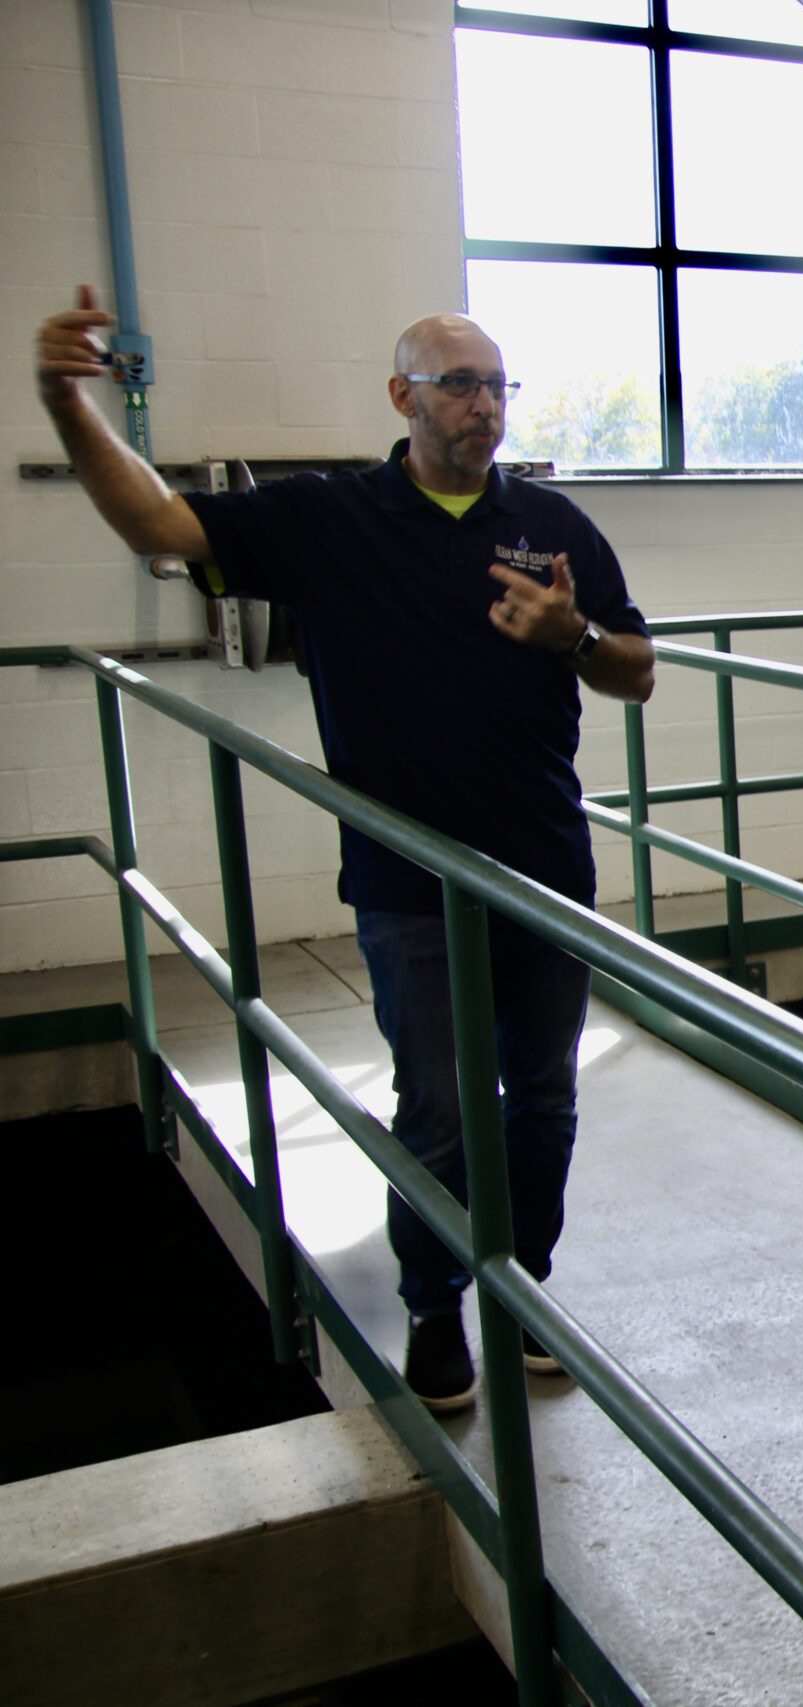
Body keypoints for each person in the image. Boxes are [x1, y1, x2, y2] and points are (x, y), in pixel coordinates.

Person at [35, 288, 656, 1415]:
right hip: (406, 882)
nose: (484, 407)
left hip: (543, 870)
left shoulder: (557, 528)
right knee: (437, 1109)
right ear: (401, 396)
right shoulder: (331, 519)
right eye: (459, 385)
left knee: (545, 1103)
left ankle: (528, 1289)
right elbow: (161, 530)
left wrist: (574, 637)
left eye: (497, 385)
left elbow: (636, 668)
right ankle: (434, 1304)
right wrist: (67, 404)